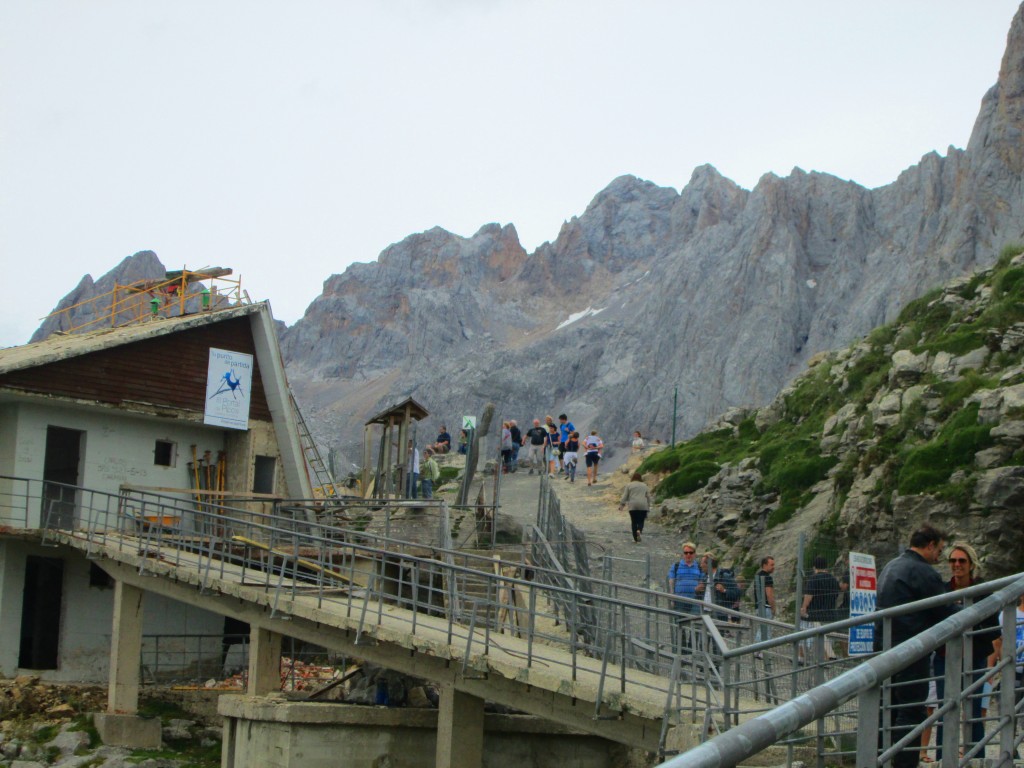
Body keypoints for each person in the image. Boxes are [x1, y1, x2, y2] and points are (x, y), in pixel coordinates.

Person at [875, 525, 955, 768]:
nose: (940, 556)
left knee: (886, 708)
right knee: (911, 710)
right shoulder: (923, 571)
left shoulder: (891, 566)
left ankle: (877, 759)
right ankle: (904, 763)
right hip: (911, 650)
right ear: (930, 545)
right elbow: (944, 609)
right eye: (939, 550)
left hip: (885, 648)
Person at [934, 542, 999, 758]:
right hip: (944, 658)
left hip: (974, 658)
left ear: (971, 564)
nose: (957, 564)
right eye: (953, 560)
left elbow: (993, 629)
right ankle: (943, 758)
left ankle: (976, 758)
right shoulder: (942, 591)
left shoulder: (983, 591)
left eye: (962, 560)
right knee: (945, 710)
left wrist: (971, 633)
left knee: (973, 711)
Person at [800, 556, 840, 661]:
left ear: (814, 567)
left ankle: (801, 657)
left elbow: (808, 596)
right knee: (826, 640)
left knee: (804, 635)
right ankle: (824, 660)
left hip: (814, 614)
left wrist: (803, 608)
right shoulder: (833, 579)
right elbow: (837, 594)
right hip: (830, 614)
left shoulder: (813, 579)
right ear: (826, 566)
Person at [695, 553, 741, 623]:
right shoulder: (704, 577)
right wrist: (697, 590)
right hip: (705, 612)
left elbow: (737, 593)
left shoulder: (725, 576)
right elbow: (699, 597)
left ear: (709, 564)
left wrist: (724, 590)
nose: (700, 566)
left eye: (702, 563)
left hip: (719, 615)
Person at [618, 472, 650, 543]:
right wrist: (648, 505)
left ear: (633, 478)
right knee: (641, 520)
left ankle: (635, 539)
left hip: (632, 505)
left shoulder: (629, 485)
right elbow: (648, 496)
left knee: (634, 521)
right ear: (640, 478)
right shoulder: (644, 485)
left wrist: (622, 505)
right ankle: (639, 530)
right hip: (643, 505)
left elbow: (625, 496)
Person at [753, 556, 776, 646]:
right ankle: (760, 650)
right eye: (771, 565)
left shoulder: (757, 576)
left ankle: (757, 649)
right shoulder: (768, 578)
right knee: (766, 630)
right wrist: (773, 608)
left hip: (758, 606)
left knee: (762, 629)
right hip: (766, 607)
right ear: (765, 565)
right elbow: (769, 595)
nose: (773, 567)